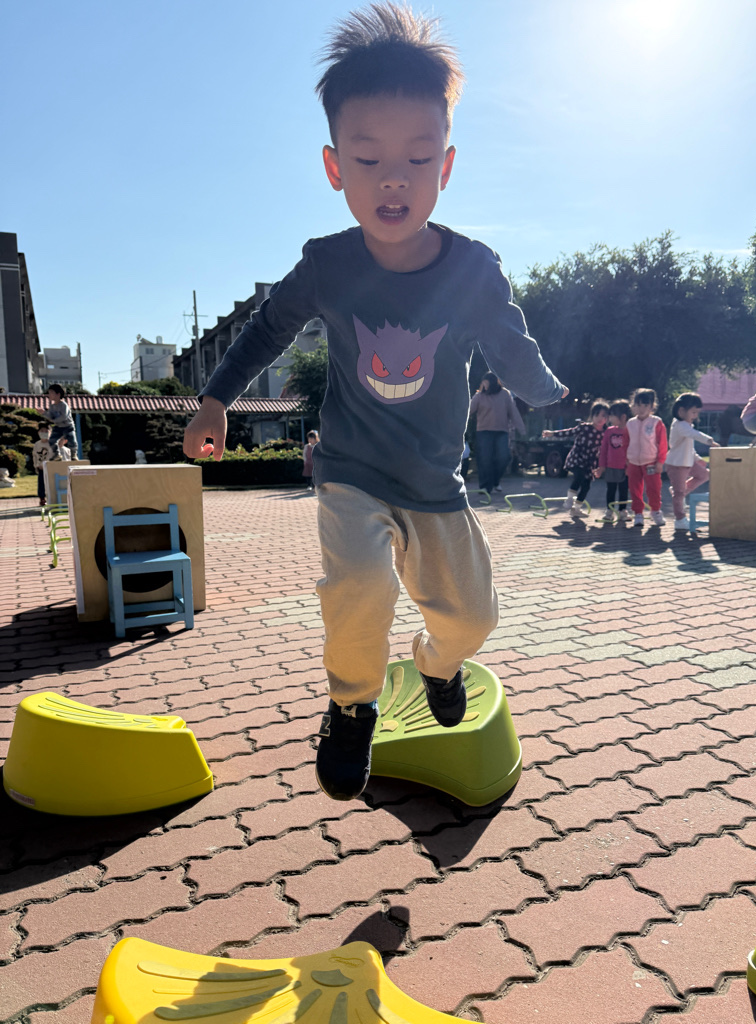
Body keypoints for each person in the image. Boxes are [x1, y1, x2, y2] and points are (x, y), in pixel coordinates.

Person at [183, 3, 567, 802]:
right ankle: (352, 707)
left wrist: (546, 393)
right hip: (351, 472)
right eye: (368, 159)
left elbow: (509, 339)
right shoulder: (328, 266)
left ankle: (436, 664)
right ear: (335, 168)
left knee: (473, 617)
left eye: (417, 158)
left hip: (435, 482)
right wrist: (216, 398)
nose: (393, 178)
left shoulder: (472, 268)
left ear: (445, 167)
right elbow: (266, 331)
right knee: (360, 588)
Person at [542, 400, 608, 518]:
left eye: (603, 416)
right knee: (579, 477)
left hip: (589, 462)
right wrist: (552, 433)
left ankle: (576, 509)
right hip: (577, 458)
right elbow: (569, 432)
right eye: (596, 415)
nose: (599, 418)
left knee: (586, 486)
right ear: (592, 416)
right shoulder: (584, 427)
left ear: (607, 418)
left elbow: (606, 449)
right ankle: (569, 499)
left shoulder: (605, 433)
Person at [665, 392, 720, 530]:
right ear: (681, 411)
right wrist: (710, 441)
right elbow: (694, 435)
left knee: (705, 475)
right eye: (693, 412)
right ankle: (680, 519)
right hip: (677, 464)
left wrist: (697, 458)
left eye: (697, 413)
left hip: (688, 462)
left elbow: (688, 447)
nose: (695, 416)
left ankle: (680, 491)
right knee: (678, 495)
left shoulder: (687, 425)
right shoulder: (680, 425)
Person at [469, 371, 526, 493]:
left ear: (493, 383)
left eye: (486, 383)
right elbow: (468, 410)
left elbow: (513, 412)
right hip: (483, 432)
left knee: (504, 457)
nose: (484, 385)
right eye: (483, 383)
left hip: (501, 431)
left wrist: (521, 428)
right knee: (485, 459)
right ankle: (485, 486)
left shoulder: (505, 394)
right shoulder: (479, 396)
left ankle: (495, 480)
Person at [626, 388, 668, 527]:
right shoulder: (630, 423)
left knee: (653, 488)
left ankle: (655, 511)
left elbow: (662, 443)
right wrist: (626, 460)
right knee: (634, 489)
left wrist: (660, 462)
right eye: (638, 405)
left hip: (651, 462)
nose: (642, 408)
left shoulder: (656, 422)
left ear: (651, 406)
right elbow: (626, 442)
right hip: (633, 462)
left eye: (645, 405)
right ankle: (638, 513)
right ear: (633, 406)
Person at [594, 400, 631, 522]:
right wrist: (601, 466)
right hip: (611, 467)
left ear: (623, 417)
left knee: (623, 490)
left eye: (612, 415)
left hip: (625, 468)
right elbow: (603, 449)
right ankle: (609, 511)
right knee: (610, 490)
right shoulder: (609, 431)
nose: (609, 418)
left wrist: (630, 466)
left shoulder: (630, 431)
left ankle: (622, 511)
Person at [45, 384, 78, 460]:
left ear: (58, 394)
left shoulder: (64, 405)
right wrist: (44, 413)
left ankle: (73, 454)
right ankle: (56, 454)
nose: (49, 395)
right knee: (52, 440)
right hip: (58, 427)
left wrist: (54, 421)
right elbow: (50, 416)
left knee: (72, 441)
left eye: (51, 393)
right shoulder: (52, 406)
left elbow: (64, 417)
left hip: (68, 426)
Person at [32, 424, 52, 506]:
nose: (44, 433)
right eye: (42, 431)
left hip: (51, 468)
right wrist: (36, 465)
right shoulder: (37, 444)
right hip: (41, 468)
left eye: (46, 431)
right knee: (41, 484)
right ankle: (42, 499)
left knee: (51, 484)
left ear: (50, 432)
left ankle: (52, 498)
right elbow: (35, 456)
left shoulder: (52, 443)